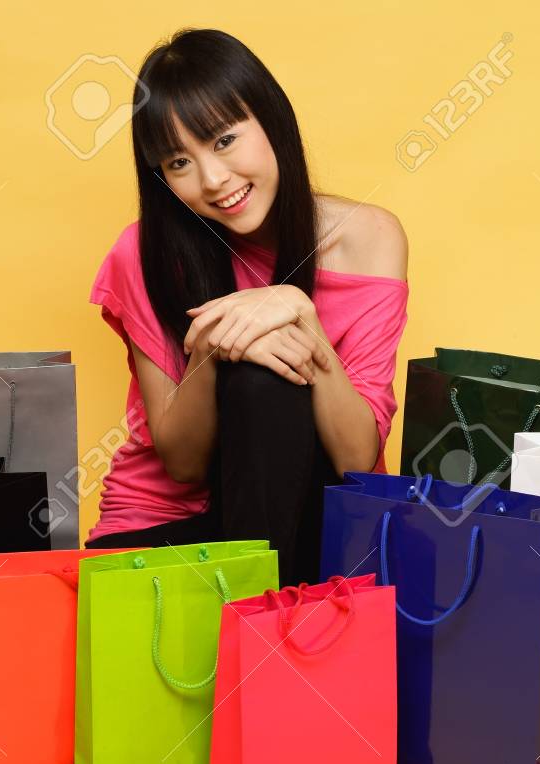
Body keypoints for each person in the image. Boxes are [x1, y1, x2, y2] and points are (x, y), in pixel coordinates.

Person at [83, 28, 409, 584]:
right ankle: (257, 634)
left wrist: (299, 314)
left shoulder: (370, 238)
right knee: (253, 373)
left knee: (273, 381)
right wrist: (212, 346)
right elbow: (182, 465)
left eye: (224, 140)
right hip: (170, 529)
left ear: (271, 120)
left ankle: (256, 636)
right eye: (179, 163)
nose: (213, 180)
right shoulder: (142, 254)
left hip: (309, 526)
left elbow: (357, 460)